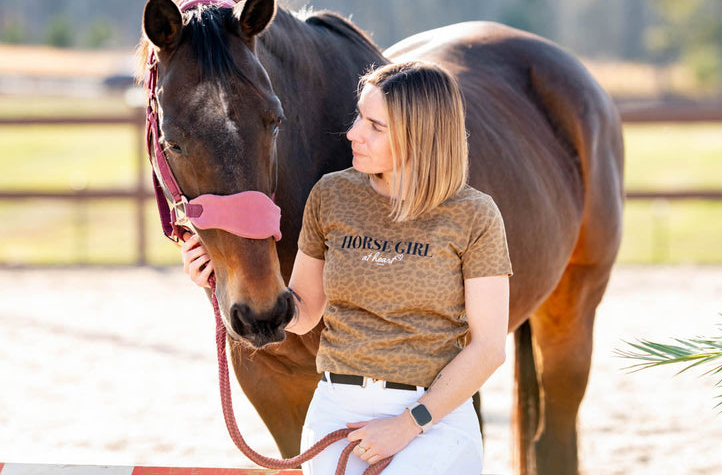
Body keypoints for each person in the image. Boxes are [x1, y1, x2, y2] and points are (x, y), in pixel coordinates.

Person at [182, 61, 512, 474]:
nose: (353, 132)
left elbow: (488, 348)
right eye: (359, 116)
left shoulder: (474, 216)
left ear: (420, 136)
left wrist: (409, 424)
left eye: (375, 126)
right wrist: (219, 283)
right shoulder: (332, 195)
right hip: (335, 415)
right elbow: (301, 315)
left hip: (434, 420)